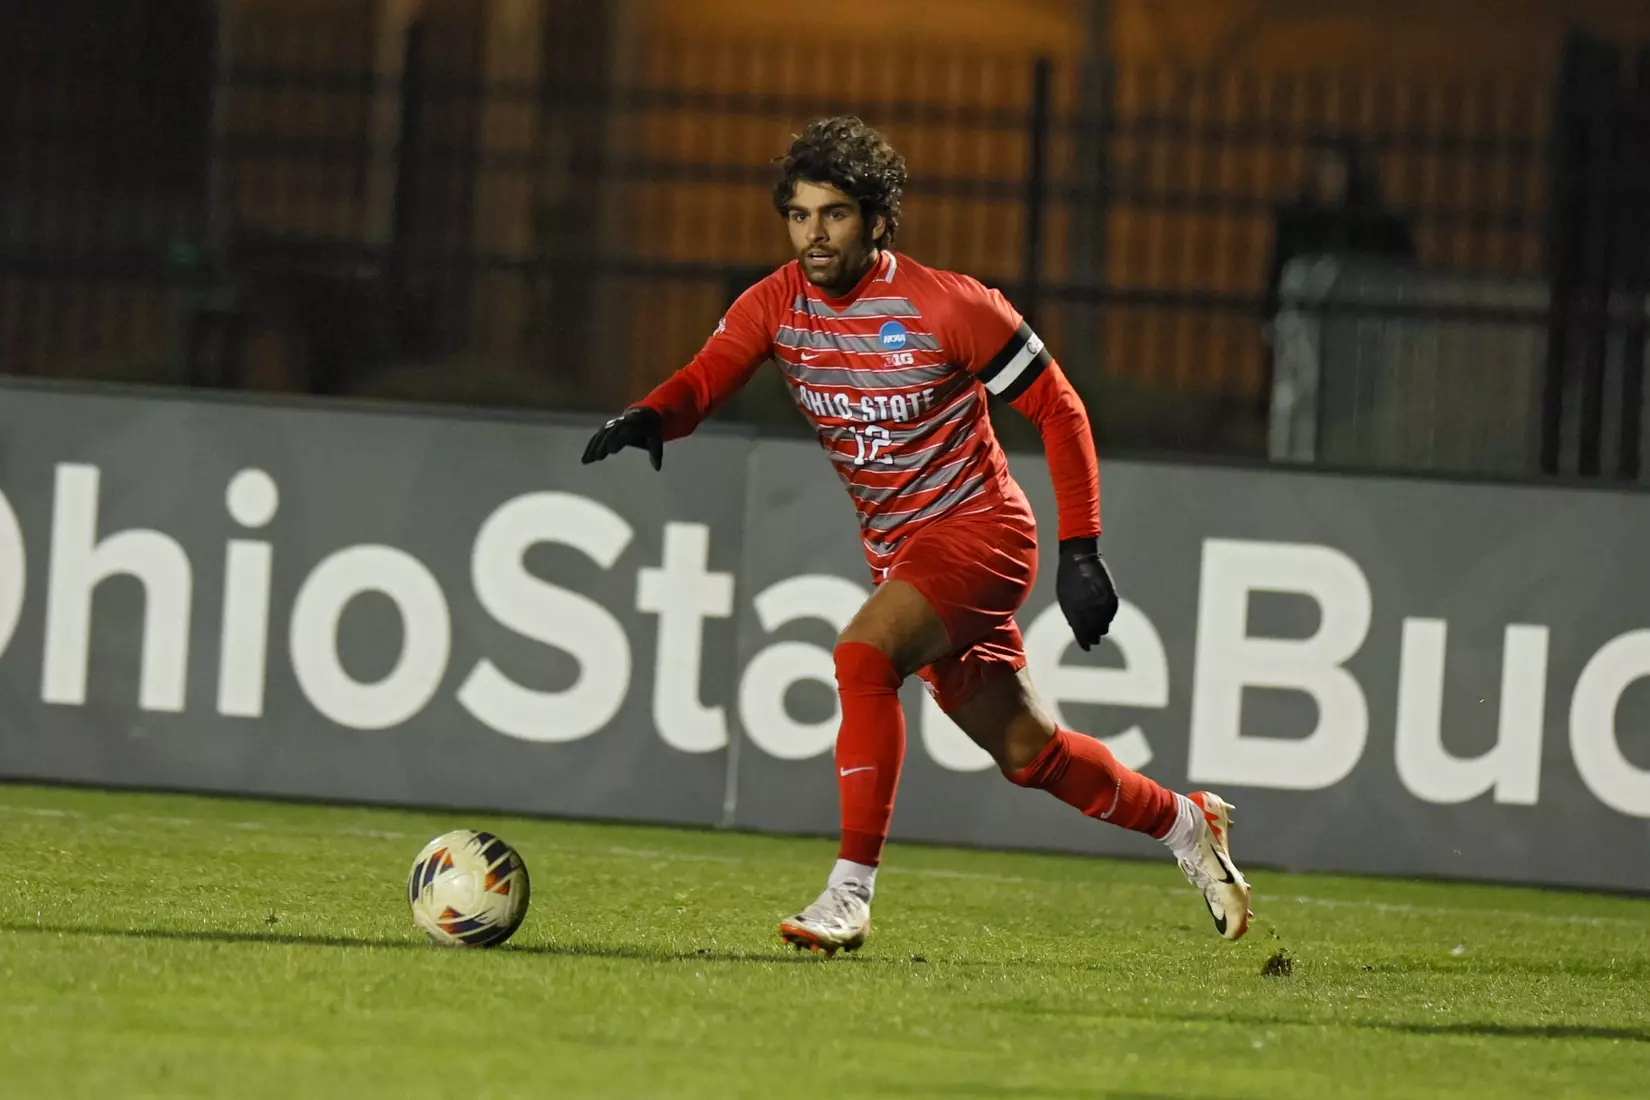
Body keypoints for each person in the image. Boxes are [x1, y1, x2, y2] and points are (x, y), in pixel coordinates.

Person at [582, 117, 1252, 955]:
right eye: (798, 216)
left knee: (863, 655)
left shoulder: (948, 305)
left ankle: (848, 893)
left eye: (833, 215)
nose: (813, 235)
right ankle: (1186, 823)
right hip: (905, 554)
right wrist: (654, 415)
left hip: (981, 533)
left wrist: (1081, 549)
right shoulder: (775, 305)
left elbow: (1059, 407)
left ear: (877, 221)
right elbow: (704, 379)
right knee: (1027, 753)